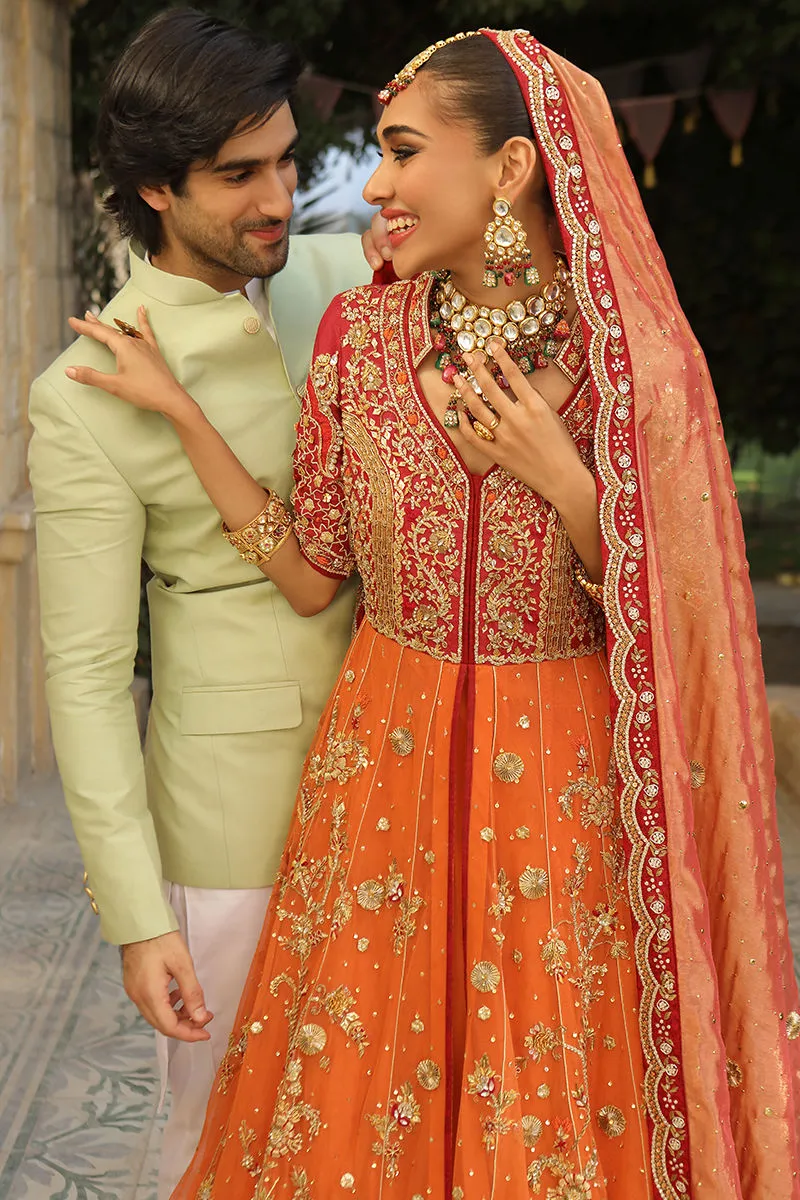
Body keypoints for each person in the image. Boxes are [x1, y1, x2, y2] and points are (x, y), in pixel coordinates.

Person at [66, 27, 800, 1200]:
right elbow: (312, 572)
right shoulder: (361, 337)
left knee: (542, 1104)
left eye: (404, 151)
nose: (373, 183)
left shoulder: (635, 371)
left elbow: (680, 624)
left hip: (560, 790)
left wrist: (566, 481)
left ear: (509, 170)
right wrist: (182, 416)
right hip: (380, 775)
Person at [27, 8, 389, 1197]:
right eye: (238, 175)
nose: (277, 198)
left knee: (392, 1116)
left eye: (286, 160)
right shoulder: (86, 388)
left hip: (411, 759)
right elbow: (82, 675)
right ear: (152, 190)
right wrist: (139, 917)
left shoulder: (353, 279)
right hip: (238, 809)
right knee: (229, 1137)